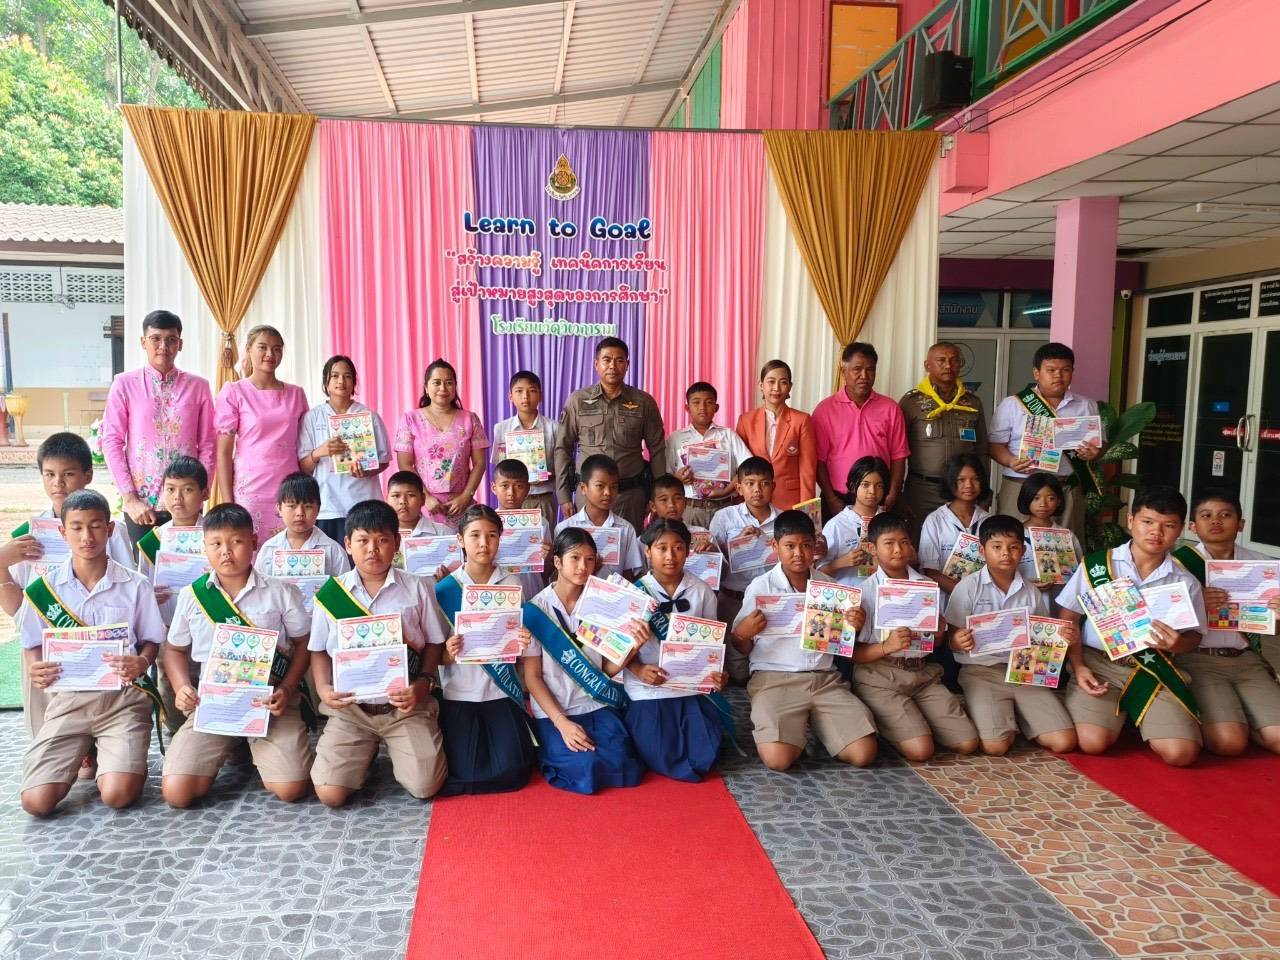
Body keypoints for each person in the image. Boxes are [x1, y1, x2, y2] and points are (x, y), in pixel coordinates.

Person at [17, 490, 164, 816]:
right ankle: (88, 753)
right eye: (77, 527)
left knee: (118, 795)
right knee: (36, 802)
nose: (87, 536)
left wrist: (141, 661)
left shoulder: (135, 584)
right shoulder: (44, 589)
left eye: (96, 526)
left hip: (123, 701)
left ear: (109, 529)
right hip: (69, 702)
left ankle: (119, 759)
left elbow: (151, 641)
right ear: (62, 531)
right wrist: (35, 666)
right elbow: (31, 643)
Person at [161, 503, 314, 807]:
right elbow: (175, 650)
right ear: (204, 546)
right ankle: (236, 744)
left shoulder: (280, 592)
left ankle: (251, 745)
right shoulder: (193, 596)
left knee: (290, 788)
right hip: (214, 705)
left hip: (270, 703)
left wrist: (287, 689)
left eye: (236, 542)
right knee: (178, 793)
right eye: (216, 544)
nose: (226, 552)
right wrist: (182, 687)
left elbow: (303, 644)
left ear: (254, 542)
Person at [308, 500, 449, 805]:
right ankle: (364, 749)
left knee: (425, 786)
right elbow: (318, 650)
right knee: (330, 793)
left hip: (404, 707)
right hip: (352, 709)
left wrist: (423, 683)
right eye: (363, 541)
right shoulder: (331, 594)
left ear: (396, 542)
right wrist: (322, 688)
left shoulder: (417, 588)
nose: (372, 549)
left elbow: (435, 642)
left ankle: (391, 743)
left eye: (382, 540)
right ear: (348, 544)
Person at [1057, 486, 1204, 767]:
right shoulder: (1098, 566)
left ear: (1180, 529)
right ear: (1130, 520)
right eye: (1148, 522)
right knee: (1092, 742)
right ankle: (1125, 714)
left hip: (1152, 668)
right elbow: (1068, 618)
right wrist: (1079, 666)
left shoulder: (1185, 581)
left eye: (1168, 525)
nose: (1156, 532)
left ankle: (1138, 713)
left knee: (1181, 754)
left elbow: (1195, 637)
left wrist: (1178, 644)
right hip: (1098, 664)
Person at [1, 433, 134, 744]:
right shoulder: (28, 535)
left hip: (100, 638)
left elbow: (129, 586)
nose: (58, 483)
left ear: (87, 475)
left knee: (99, 736)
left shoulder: (112, 531)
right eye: (49, 474)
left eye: (68, 474)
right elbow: (18, 610)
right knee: (49, 730)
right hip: (48, 642)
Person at [730, 510, 878, 772]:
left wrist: (853, 626)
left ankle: (816, 725)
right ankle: (796, 728)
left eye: (806, 545)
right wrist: (743, 633)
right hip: (774, 679)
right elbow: (741, 645)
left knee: (863, 754)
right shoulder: (761, 587)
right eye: (789, 546)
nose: (798, 553)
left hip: (825, 679)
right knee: (778, 760)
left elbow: (843, 643)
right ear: (775, 546)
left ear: (815, 546)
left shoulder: (830, 587)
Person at [523, 528, 646, 794]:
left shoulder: (602, 605)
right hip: (555, 711)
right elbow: (532, 676)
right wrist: (561, 723)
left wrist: (632, 648)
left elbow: (606, 670)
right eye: (575, 558)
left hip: (594, 703)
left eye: (590, 559)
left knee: (623, 763)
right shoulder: (535, 611)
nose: (583, 566)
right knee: (586, 767)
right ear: (557, 561)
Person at [945, 515, 1077, 756]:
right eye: (997, 547)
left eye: (1013, 547)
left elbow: (1040, 637)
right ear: (982, 551)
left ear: (1023, 551)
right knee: (995, 747)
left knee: (1064, 742)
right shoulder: (968, 587)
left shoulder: (1031, 591)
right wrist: (957, 640)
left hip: (1023, 671)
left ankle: (1018, 716)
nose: (1005, 553)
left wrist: (1060, 637)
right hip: (980, 671)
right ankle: (1005, 717)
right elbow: (950, 634)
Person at [853, 513, 979, 762]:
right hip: (879, 676)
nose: (898, 550)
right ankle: (887, 720)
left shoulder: (926, 586)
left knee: (967, 743)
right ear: (872, 549)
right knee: (921, 750)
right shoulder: (864, 593)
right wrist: (887, 646)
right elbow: (853, 655)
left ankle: (914, 720)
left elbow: (935, 643)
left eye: (904, 542)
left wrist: (939, 634)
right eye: (889, 543)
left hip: (922, 674)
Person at [433, 505, 538, 796]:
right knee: (466, 770)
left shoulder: (511, 583)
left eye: (492, 535)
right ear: (460, 539)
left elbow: (516, 646)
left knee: (513, 770)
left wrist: (522, 640)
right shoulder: (444, 589)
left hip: (500, 690)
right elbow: (436, 654)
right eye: (475, 535)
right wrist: (448, 651)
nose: (484, 543)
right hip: (460, 692)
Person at [1173, 490, 1280, 757]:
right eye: (1206, 515)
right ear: (1192, 526)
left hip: (1247, 660)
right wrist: (1196, 602)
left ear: (1241, 524)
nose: (1216, 521)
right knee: (1229, 744)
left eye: (1225, 515)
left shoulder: (1263, 566)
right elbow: (1165, 622)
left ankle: (1247, 718)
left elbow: (1274, 629)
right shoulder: (1177, 566)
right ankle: (1236, 720)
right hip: (1199, 660)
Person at [617, 519, 725, 781]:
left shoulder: (702, 592)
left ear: (687, 551)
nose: (670, 556)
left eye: (678, 548)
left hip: (690, 686)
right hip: (647, 687)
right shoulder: (633, 594)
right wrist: (638, 669)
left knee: (705, 753)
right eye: (661, 548)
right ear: (647, 551)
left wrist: (717, 674)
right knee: (662, 752)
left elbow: (713, 646)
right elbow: (617, 647)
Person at [100, 309, 215, 545]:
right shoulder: (124, 384)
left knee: (188, 564)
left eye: (171, 339)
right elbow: (111, 441)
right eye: (156, 339)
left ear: (180, 344)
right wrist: (130, 498)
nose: (163, 346)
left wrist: (201, 492)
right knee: (144, 564)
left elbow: (208, 445)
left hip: (187, 503)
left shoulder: (198, 387)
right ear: (143, 342)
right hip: (142, 506)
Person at [989, 342, 1103, 536]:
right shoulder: (1012, 404)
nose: (1058, 376)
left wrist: (1095, 452)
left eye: (1065, 370)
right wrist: (1010, 461)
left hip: (1065, 488)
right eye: (1051, 370)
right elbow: (993, 445)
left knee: (1065, 545)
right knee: (1012, 540)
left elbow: (1101, 444)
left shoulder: (1087, 405)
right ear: (1036, 373)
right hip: (1021, 485)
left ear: (1072, 372)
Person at [554, 337, 666, 533]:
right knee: (586, 545)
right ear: (596, 364)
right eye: (606, 360)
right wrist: (563, 496)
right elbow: (563, 448)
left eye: (619, 360)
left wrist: (657, 496)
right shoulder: (578, 400)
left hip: (630, 496)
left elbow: (657, 449)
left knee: (628, 547)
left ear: (627, 365)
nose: (612, 366)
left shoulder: (643, 402)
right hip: (588, 496)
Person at [214, 325, 309, 542]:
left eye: (276, 349)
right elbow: (223, 453)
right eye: (262, 347)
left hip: (290, 492)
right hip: (250, 492)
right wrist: (228, 502)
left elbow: (305, 447)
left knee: (287, 554)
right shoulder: (234, 392)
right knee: (249, 551)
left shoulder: (296, 394)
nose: (270, 354)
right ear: (248, 349)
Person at [135, 457, 209, 732]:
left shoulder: (216, 534)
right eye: (170, 489)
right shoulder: (153, 541)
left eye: (187, 490)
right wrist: (149, 597)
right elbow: (142, 586)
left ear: (204, 493)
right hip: (168, 626)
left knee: (208, 677)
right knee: (171, 683)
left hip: (208, 624)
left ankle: (222, 738)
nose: (178, 498)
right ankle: (178, 733)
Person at [298, 355, 392, 544]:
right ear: (326, 382)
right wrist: (319, 452)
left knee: (362, 556)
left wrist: (367, 470)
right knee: (331, 560)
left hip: (363, 503)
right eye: (335, 376)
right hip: (327, 506)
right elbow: (303, 466)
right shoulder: (312, 418)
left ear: (354, 382)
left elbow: (384, 460)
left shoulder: (368, 416)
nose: (341, 381)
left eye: (347, 376)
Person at [898, 342, 989, 536]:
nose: (948, 365)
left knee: (963, 545)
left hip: (963, 490)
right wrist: (898, 493)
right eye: (941, 360)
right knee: (919, 543)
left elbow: (981, 450)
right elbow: (898, 451)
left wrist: (984, 492)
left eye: (954, 360)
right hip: (923, 491)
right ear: (927, 365)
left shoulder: (972, 403)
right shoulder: (911, 403)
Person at [812, 343, 909, 519]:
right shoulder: (825, 410)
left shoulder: (890, 408)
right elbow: (819, 460)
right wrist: (831, 499)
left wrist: (893, 493)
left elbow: (898, 456)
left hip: (879, 497)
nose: (864, 376)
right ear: (844, 372)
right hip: (838, 498)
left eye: (870, 370)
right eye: (857, 369)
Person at [395, 359, 489, 532]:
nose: (443, 388)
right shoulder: (410, 419)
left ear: (455, 386)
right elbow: (405, 464)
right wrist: (425, 497)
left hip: (461, 506)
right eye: (437, 382)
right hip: (425, 506)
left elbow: (480, 463)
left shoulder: (470, 419)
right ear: (426, 387)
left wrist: (466, 496)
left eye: (449, 383)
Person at [710, 457, 782, 681]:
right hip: (733, 598)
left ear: (773, 486)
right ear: (739, 488)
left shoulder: (783, 520)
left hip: (770, 600)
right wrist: (737, 545)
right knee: (738, 672)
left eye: (764, 483)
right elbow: (712, 562)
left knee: (769, 656)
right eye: (750, 483)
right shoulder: (724, 517)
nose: (757, 490)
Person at [666, 381, 752, 529]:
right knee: (691, 544)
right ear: (687, 408)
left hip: (725, 508)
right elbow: (665, 476)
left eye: (708, 402)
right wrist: (678, 479)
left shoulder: (728, 435)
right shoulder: (675, 438)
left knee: (727, 544)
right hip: (690, 509)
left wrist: (726, 490)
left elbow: (748, 468)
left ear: (716, 407)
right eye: (696, 402)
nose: (702, 407)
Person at [736, 359, 817, 510]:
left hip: (789, 501)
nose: (776, 388)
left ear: (790, 387)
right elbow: (740, 466)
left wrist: (806, 509)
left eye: (783, 382)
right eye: (771, 382)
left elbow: (808, 470)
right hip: (754, 501)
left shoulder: (802, 420)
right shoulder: (745, 421)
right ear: (761, 385)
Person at [554, 454, 644, 580]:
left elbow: (628, 575)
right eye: (600, 486)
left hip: (614, 592)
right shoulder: (565, 528)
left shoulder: (626, 530)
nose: (607, 493)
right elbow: (558, 576)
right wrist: (589, 570)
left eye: (613, 487)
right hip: (577, 593)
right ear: (583, 488)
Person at [491, 370, 560, 530]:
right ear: (510, 396)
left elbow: (561, 465)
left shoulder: (554, 428)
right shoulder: (501, 428)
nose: (525, 396)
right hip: (511, 498)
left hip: (543, 496)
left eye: (532, 391)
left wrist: (550, 474)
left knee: (544, 538)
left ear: (540, 396)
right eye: (519, 391)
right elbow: (500, 465)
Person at [253, 472, 351, 579]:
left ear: (318, 509)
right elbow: (260, 586)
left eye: (308, 506)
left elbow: (344, 586)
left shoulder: (333, 551)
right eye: (292, 506)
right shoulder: (269, 549)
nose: (300, 513)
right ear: (279, 508)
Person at [919, 453, 991, 595]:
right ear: (950, 482)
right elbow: (930, 571)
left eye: (975, 479)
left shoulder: (988, 520)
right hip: (946, 599)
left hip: (983, 597)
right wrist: (964, 594)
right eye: (961, 480)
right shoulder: (935, 521)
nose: (969, 485)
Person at [819, 456, 888, 587]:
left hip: (882, 592)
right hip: (846, 594)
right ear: (852, 486)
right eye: (865, 485)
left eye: (879, 486)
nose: (872, 491)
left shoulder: (889, 523)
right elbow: (818, 574)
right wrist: (841, 563)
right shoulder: (836, 525)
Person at [491, 458, 553, 599]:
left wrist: (547, 557)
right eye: (504, 486)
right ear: (494, 488)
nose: (511, 493)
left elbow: (546, 574)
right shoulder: (487, 524)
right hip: (499, 595)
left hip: (532, 592)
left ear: (528, 489)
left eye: (519, 486)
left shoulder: (540, 524)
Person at [1015, 473, 1082, 601]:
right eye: (1036, 498)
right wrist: (1026, 584)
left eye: (1051, 498)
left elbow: (1077, 574)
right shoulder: (1014, 533)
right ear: (1026, 499)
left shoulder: (1067, 536)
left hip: (1057, 601)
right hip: (1022, 601)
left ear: (1059, 501)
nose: (1043, 504)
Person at [386, 471, 451, 539]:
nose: (403, 501)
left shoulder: (444, 533)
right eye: (396, 496)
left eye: (410, 495)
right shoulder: (380, 533)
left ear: (423, 499)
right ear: (386, 499)